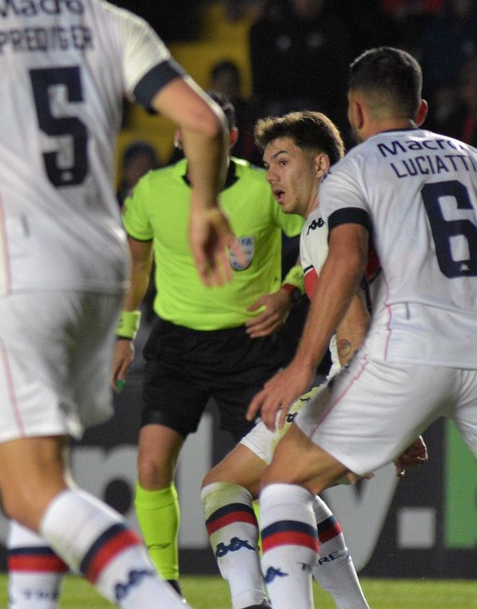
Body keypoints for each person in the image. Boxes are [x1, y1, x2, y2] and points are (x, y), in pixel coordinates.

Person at [0, 0, 239, 606]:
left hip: (20, 271)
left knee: (30, 489)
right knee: (42, 474)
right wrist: (204, 206)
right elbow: (203, 121)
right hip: (101, 265)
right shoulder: (108, 18)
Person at [247, 47, 477, 609]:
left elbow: (344, 262)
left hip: (410, 348)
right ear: (419, 106)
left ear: (355, 113)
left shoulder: (354, 171)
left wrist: (300, 367)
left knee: (283, 483)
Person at [112, 92, 305, 595]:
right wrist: (125, 333)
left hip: (251, 345)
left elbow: (315, 240)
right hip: (177, 345)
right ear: (177, 136)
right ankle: (164, 589)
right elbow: (137, 266)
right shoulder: (150, 192)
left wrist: (287, 293)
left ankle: (270, 583)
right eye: (188, 130)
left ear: (232, 139)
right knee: (152, 465)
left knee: (273, 478)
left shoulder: (264, 190)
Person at [200, 110, 371, 609]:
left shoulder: (324, 224)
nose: (271, 174)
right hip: (387, 378)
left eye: (283, 160)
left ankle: (252, 602)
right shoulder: (345, 215)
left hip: (360, 382)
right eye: (267, 164)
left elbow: (353, 331)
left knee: (234, 487)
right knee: (283, 486)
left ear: (321, 164)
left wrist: (374, 411)